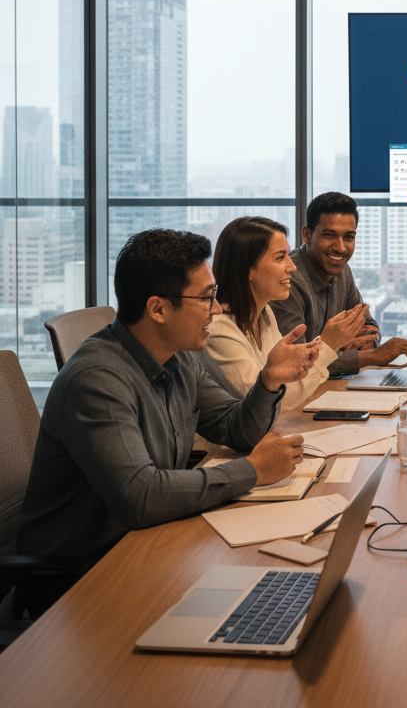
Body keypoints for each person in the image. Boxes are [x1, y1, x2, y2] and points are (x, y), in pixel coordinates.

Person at [17, 229, 317, 583]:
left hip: (152, 542)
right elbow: (141, 497)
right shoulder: (97, 380)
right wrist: (251, 471)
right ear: (158, 308)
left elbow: (237, 429)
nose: (216, 309)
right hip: (82, 575)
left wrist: (268, 381)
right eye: (206, 297)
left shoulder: (178, 358)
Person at [200, 217, 368, 414]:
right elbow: (267, 402)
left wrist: (324, 344)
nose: (292, 267)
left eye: (288, 255)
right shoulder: (218, 329)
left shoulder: (264, 314)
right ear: (247, 269)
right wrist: (328, 345)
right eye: (280, 258)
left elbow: (288, 380)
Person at [272, 192, 407, 375]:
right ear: (307, 235)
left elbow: (366, 321)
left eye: (349, 237)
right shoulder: (287, 280)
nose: (340, 248)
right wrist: (373, 356)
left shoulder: (341, 269)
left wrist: (368, 342)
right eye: (329, 235)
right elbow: (296, 361)